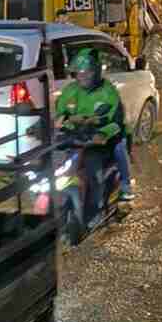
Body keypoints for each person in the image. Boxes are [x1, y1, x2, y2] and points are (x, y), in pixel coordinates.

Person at [55, 49, 126, 225]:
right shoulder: (70, 91)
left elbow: (117, 121)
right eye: (79, 73)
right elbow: (59, 114)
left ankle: (98, 210)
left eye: (87, 73)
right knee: (49, 169)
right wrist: (56, 122)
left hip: (97, 142)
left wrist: (102, 133)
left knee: (95, 173)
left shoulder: (108, 92)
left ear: (96, 72)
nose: (83, 77)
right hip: (74, 140)